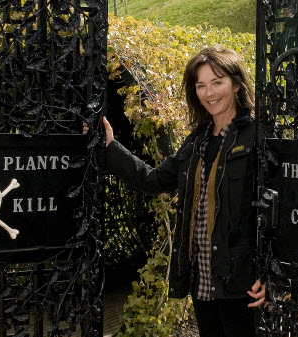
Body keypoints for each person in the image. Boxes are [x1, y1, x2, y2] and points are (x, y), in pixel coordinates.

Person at [94, 47, 265, 337]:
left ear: (236, 84)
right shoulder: (197, 142)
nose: (208, 93)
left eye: (217, 82)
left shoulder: (256, 137)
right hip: (201, 278)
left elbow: (274, 207)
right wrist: (111, 147)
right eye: (200, 85)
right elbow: (153, 180)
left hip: (242, 281)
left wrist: (270, 274)